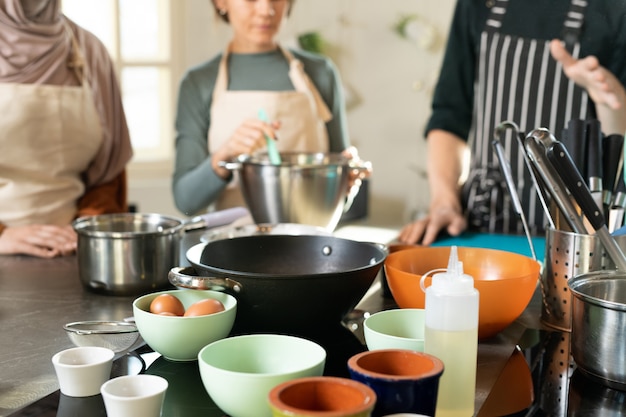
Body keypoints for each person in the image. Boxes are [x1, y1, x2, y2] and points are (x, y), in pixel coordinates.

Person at [399, 0, 626, 245]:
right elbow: (450, 115)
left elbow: (618, 142)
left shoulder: (615, 8)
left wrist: (608, 97)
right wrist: (445, 203)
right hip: (482, 230)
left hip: (577, 237)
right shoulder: (477, 5)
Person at [172, 0, 354, 215]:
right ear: (221, 2)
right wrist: (224, 155)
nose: (266, 10)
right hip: (231, 244)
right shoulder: (198, 83)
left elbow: (340, 202)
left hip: (309, 243)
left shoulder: (321, 73)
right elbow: (186, 200)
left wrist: (348, 185)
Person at [0, 0, 133, 258]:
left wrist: (87, 228)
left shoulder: (89, 51)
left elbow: (109, 175)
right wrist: (2, 235)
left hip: (74, 253)